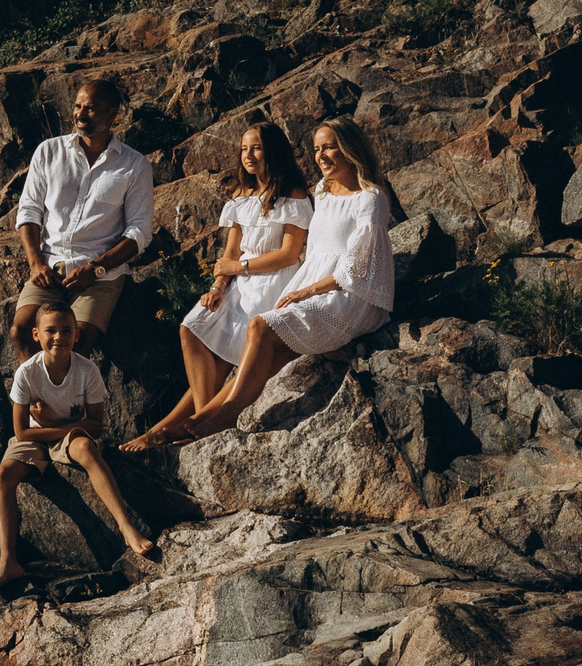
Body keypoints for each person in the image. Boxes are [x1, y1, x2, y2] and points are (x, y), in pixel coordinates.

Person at [132, 116, 398, 445]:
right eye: (317, 149)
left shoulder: (370, 198)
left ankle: (224, 417)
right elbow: (312, 253)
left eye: (329, 147)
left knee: (260, 326)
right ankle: (198, 420)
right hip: (312, 288)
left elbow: (359, 265)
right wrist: (223, 284)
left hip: (349, 297)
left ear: (350, 148)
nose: (321, 156)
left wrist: (307, 290)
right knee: (263, 353)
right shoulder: (324, 191)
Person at [122, 122, 310, 451]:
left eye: (257, 148)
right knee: (191, 328)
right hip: (238, 283)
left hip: (273, 283)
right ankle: (199, 423)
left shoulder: (293, 195)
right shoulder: (242, 197)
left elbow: (289, 254)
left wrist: (239, 268)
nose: (248, 155)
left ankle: (171, 430)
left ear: (273, 151)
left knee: (223, 361)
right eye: (244, 149)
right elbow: (231, 252)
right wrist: (219, 286)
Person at [0, 304, 157, 592]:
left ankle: (126, 527)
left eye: (66, 330)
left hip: (66, 435)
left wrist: (52, 423)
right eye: (50, 330)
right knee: (3, 475)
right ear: (36, 335)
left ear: (77, 335)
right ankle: (8, 561)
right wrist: (60, 426)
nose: (58, 337)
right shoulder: (27, 373)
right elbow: (21, 432)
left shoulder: (86, 370)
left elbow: (97, 425)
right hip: (35, 437)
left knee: (87, 450)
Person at [11, 75, 153, 359]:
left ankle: (70, 390)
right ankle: (34, 389)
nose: (80, 114)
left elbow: (139, 232)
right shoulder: (49, 151)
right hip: (50, 268)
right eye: (77, 106)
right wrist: (36, 263)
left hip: (100, 277)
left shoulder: (134, 165)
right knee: (22, 331)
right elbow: (29, 210)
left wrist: (96, 268)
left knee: (77, 342)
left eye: (91, 108)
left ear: (113, 114)